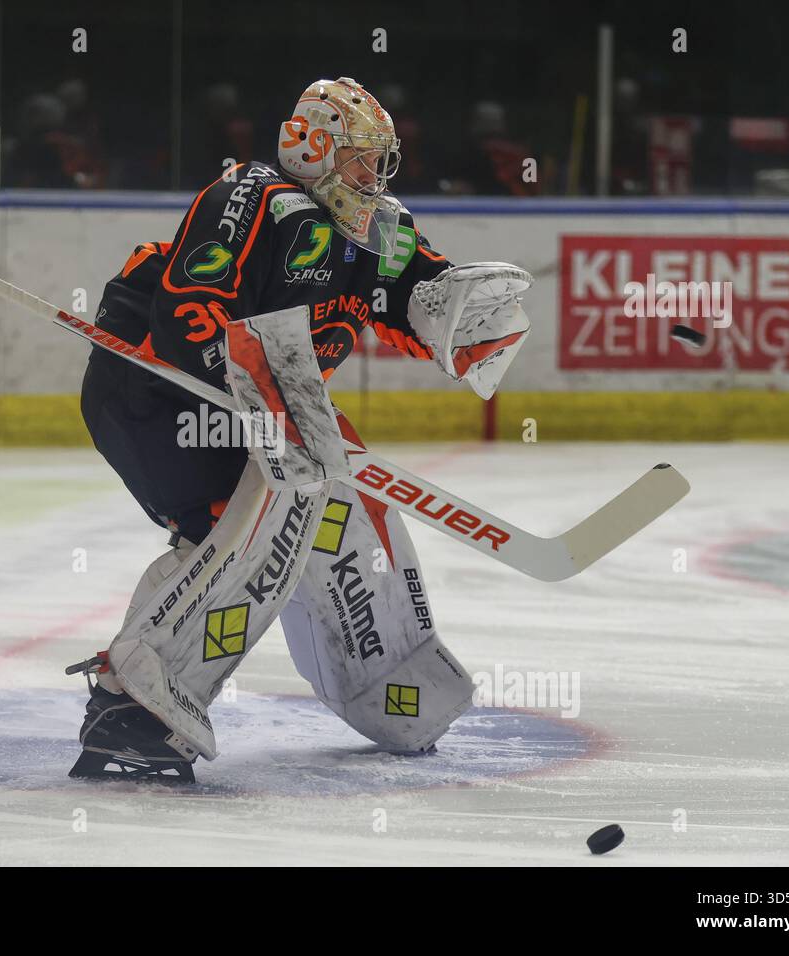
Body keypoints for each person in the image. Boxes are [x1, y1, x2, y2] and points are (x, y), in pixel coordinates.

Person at [74, 77, 531, 780]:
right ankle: (131, 706)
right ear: (311, 147)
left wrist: (460, 323)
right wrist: (273, 404)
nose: (373, 176)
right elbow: (188, 319)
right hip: (157, 391)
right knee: (259, 519)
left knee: (340, 500)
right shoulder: (251, 199)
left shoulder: (374, 226)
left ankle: (388, 680)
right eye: (359, 158)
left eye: (380, 160)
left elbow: (419, 293)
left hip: (253, 401)